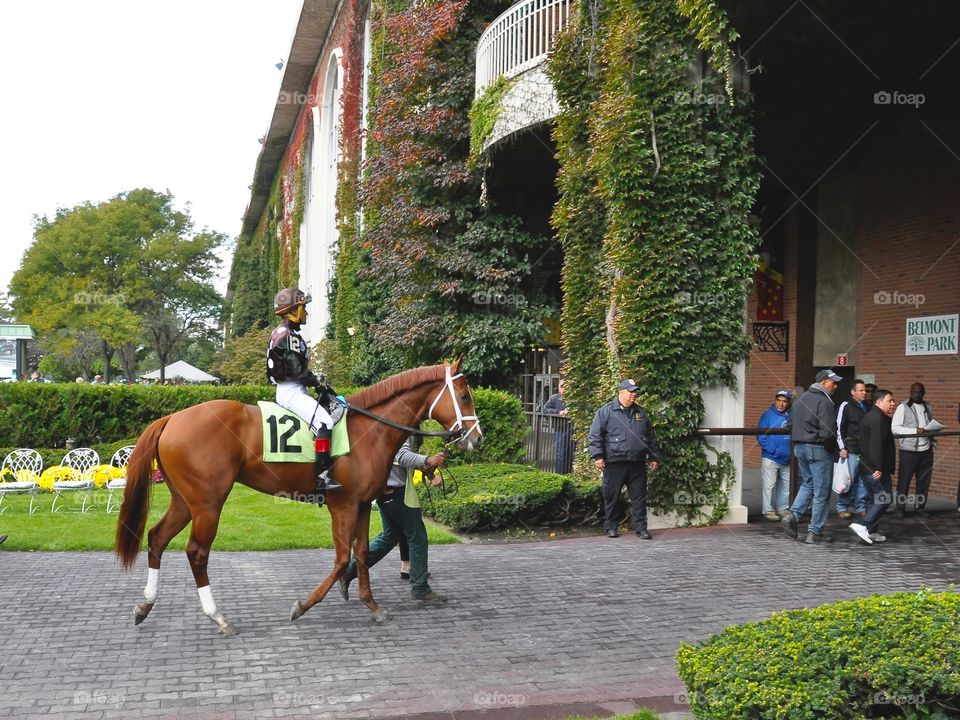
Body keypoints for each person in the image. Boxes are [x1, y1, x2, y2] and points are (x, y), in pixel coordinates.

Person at [339, 439, 447, 603]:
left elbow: (397, 461)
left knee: (390, 536)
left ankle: (348, 572)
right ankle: (420, 588)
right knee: (417, 537)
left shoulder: (383, 424)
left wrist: (428, 471)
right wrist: (428, 460)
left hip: (385, 492)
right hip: (397, 494)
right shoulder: (399, 424)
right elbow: (401, 455)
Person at [266, 287, 341, 499]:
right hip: (291, 391)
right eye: (303, 308)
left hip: (291, 388)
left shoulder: (284, 334)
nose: (306, 313)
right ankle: (323, 476)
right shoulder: (289, 336)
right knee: (325, 422)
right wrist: (317, 383)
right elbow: (297, 371)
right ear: (293, 311)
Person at [588, 379, 660, 539]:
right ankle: (611, 527)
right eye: (631, 391)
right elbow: (595, 435)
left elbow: (650, 437)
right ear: (621, 392)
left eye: (635, 391)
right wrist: (598, 456)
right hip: (615, 463)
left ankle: (641, 528)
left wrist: (653, 456)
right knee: (612, 496)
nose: (634, 394)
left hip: (637, 463)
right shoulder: (606, 411)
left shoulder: (641, 412)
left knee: (639, 497)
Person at [781, 369, 841, 544]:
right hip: (818, 449)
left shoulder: (801, 399)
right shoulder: (825, 401)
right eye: (833, 382)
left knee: (808, 483)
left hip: (800, 447)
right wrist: (823, 442)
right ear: (823, 382)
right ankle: (814, 532)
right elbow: (829, 431)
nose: (835, 386)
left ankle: (793, 515)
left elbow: (790, 424)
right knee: (821, 493)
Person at [849, 389, 897, 544]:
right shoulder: (877, 418)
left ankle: (871, 532)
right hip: (875, 467)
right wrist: (878, 467)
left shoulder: (875, 416)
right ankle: (863, 524)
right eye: (889, 401)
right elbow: (876, 445)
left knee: (873, 499)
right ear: (878, 402)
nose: (893, 404)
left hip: (869, 465)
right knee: (884, 498)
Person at [892, 382, 935, 518]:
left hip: (926, 450)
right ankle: (899, 509)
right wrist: (915, 431)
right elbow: (895, 428)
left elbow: (929, 424)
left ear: (924, 393)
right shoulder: (903, 407)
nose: (918, 395)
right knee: (904, 481)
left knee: (923, 482)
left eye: (920, 392)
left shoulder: (928, 407)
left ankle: (920, 508)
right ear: (910, 392)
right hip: (908, 450)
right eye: (915, 392)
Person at [756, 390, 792, 521]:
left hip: (788, 459)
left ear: (788, 403)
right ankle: (768, 510)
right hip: (771, 457)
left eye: (784, 401)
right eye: (779, 400)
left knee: (786, 487)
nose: (781, 404)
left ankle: (782, 509)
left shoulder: (791, 415)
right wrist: (775, 450)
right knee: (769, 486)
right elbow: (761, 435)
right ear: (775, 400)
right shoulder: (767, 415)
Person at [835, 379, 868, 519]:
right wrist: (842, 447)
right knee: (848, 479)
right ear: (853, 392)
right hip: (851, 448)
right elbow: (839, 427)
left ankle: (860, 507)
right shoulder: (846, 405)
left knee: (862, 479)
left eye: (865, 390)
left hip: (864, 450)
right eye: (861, 390)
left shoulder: (868, 406)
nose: (864, 393)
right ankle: (842, 507)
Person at [543, 379, 572, 474]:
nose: (564, 389)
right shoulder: (554, 398)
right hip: (559, 429)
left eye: (566, 387)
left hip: (571, 429)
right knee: (561, 454)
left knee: (569, 454)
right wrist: (558, 412)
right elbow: (545, 409)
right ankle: (559, 475)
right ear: (559, 388)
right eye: (562, 387)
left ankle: (568, 475)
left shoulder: (572, 398)